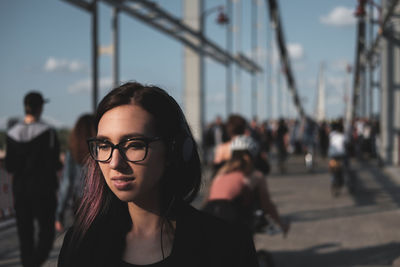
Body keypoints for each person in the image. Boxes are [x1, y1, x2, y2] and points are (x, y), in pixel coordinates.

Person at [58, 82, 258, 267]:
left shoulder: (227, 245)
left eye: (134, 145)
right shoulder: (80, 245)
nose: (114, 162)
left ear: (174, 150)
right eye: (104, 145)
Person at [5, 91, 62, 267]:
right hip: (44, 189)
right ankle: (36, 261)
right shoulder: (49, 133)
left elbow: (10, 166)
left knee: (25, 233)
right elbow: (56, 163)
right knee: (46, 231)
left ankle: (27, 263)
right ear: (40, 108)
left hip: (21, 190)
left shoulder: (12, 133)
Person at [204, 135, 289, 235]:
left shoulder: (220, 174)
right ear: (252, 157)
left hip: (208, 214)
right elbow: (267, 205)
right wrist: (281, 224)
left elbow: (207, 199)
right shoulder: (255, 176)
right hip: (232, 218)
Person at [55, 114, 96, 232]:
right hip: (101, 200)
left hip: (80, 201)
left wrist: (59, 213)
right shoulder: (100, 150)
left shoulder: (73, 152)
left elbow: (67, 183)